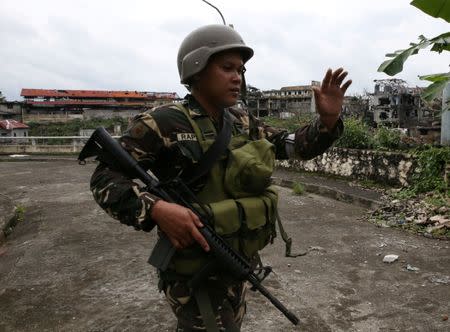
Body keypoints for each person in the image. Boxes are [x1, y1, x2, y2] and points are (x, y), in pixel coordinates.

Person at [90, 24, 351, 331]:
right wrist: (156, 210)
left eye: (240, 69)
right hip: (192, 273)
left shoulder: (241, 120)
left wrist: (328, 120)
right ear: (196, 70)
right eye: (227, 68)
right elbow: (105, 179)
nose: (237, 77)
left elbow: (290, 145)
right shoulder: (162, 122)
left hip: (234, 263)